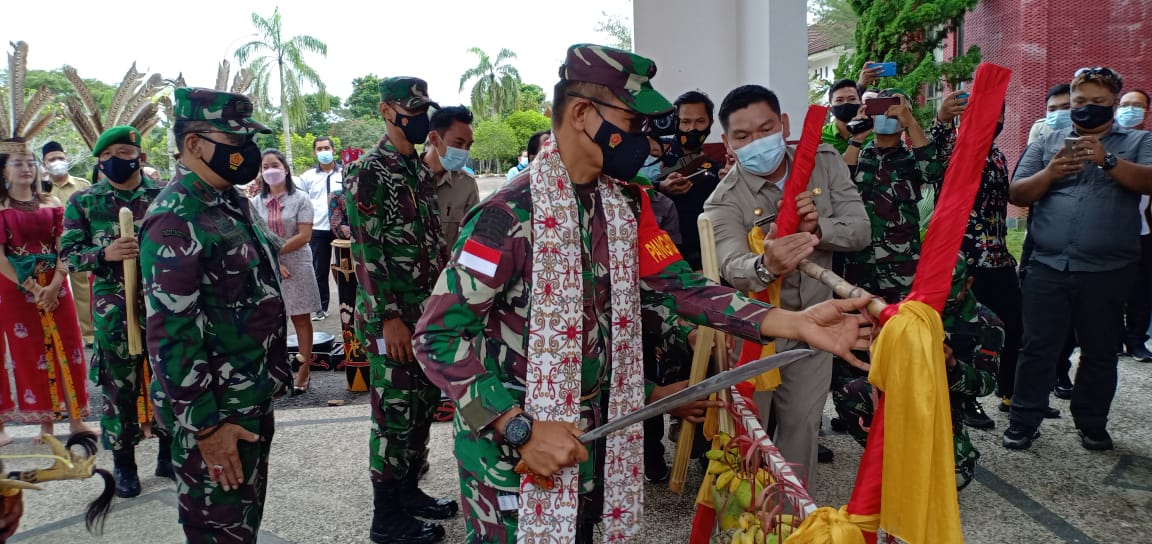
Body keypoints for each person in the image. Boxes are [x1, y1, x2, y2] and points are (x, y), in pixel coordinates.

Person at [413, 43, 874, 544]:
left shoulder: (624, 206)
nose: (647, 141)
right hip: (515, 457)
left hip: (597, 442)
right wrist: (515, 426)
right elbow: (437, 336)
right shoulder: (508, 217)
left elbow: (677, 289)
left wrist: (796, 322)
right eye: (634, 123)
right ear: (584, 114)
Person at [140, 87, 291, 543]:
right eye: (234, 138)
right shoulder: (175, 217)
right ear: (193, 144)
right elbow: (172, 334)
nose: (245, 149)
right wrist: (206, 428)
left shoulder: (228, 202)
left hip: (247, 398)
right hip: (215, 413)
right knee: (218, 531)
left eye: (248, 138)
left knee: (242, 525)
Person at [704, 84, 869, 484]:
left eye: (766, 129)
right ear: (727, 142)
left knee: (802, 429)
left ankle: (794, 522)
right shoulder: (722, 200)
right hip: (757, 333)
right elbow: (732, 264)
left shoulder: (824, 163)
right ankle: (748, 523)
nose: (757, 142)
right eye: (742, 136)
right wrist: (767, 264)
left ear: (784, 124)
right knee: (748, 435)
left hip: (819, 327)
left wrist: (818, 231)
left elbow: (861, 230)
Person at [1005, 67, 1152, 451]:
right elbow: (1018, 193)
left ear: (1114, 104)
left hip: (1108, 269)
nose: (1087, 109)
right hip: (1048, 265)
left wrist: (1109, 161)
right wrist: (1051, 172)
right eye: (1080, 102)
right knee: (1037, 347)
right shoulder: (1047, 140)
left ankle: (1092, 423)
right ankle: (1024, 420)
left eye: (1098, 103)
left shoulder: (1138, 141)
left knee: (1101, 350)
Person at [344, 76, 457, 544]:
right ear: (387, 111)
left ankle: (409, 492)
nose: (420, 117)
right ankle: (386, 517)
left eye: (423, 108)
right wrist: (389, 315)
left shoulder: (415, 168)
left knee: (420, 408)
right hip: (392, 318)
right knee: (393, 414)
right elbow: (366, 250)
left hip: (425, 313)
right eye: (411, 109)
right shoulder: (371, 169)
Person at [60, 126, 172, 499]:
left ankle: (169, 454)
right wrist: (103, 254)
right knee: (118, 387)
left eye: (123, 153)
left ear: (139, 156)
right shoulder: (85, 201)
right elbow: (68, 254)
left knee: (168, 378)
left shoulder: (163, 196)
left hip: (164, 304)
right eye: (106, 157)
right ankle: (124, 464)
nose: (114, 162)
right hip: (114, 307)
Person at [836, 255, 1001, 490]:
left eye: (948, 289)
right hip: (898, 390)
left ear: (968, 283)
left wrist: (952, 366)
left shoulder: (986, 324)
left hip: (944, 404)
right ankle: (890, 459)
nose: (941, 298)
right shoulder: (908, 306)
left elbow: (985, 385)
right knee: (849, 395)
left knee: (954, 477)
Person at [931, 93, 1018, 430]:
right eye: (985, 114)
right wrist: (941, 120)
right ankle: (965, 400)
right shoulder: (955, 149)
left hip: (998, 258)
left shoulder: (998, 157)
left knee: (1012, 329)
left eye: (999, 114)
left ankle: (1009, 392)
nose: (993, 121)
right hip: (965, 261)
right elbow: (931, 159)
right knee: (964, 334)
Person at [0, 138, 94, 441]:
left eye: (30, 162)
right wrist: (29, 286)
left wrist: (54, 285)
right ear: (4, 171)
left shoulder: (52, 203)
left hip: (56, 285)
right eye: (18, 163)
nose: (27, 168)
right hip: (15, 288)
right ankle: (45, 424)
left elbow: (63, 246)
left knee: (69, 347)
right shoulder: (0, 209)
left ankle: (76, 420)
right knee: (30, 354)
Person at [249, 149, 321, 394]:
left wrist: (276, 254)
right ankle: (277, 372)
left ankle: (304, 369)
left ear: (285, 169)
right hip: (268, 267)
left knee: (300, 317)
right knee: (272, 320)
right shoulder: (255, 202)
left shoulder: (300, 198)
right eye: (265, 166)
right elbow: (255, 236)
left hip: (297, 263)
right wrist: (271, 260)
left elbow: (304, 235)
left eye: (274, 165)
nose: (270, 170)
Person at [656, 90, 725, 270]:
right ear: (675, 122)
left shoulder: (718, 170)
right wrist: (660, 187)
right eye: (685, 122)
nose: (692, 129)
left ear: (711, 123)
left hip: (701, 264)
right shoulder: (651, 155)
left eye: (700, 121)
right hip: (657, 257)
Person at [42, 141, 95, 346]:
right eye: (51, 159)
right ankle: (62, 335)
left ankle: (89, 334)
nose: (57, 162)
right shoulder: (41, 189)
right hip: (51, 251)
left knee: (84, 289)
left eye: (60, 158)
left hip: (79, 246)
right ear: (44, 163)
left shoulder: (82, 185)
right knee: (56, 291)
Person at [1115, 89, 1152, 361]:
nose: (1130, 110)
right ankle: (1113, 337)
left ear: (1146, 112)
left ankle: (1136, 340)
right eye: (1125, 104)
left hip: (1143, 230)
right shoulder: (1107, 143)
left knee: (1142, 288)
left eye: (1137, 106)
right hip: (1112, 230)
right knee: (1111, 288)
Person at [424, 106, 479, 249]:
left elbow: (474, 235)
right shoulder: (405, 179)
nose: (464, 151)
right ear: (435, 139)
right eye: (458, 143)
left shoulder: (466, 184)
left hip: (449, 270)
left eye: (468, 145)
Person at [299, 136, 342, 321]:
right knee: (320, 270)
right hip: (318, 229)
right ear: (314, 152)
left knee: (346, 270)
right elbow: (302, 203)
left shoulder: (345, 173)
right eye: (319, 149)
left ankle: (350, 305)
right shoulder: (307, 177)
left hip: (343, 230)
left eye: (326, 148)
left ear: (333, 150)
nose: (323, 151)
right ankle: (320, 308)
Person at [822, 79, 874, 154]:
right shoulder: (820, 137)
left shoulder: (873, 135)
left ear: (860, 103)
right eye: (839, 100)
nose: (846, 103)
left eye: (852, 99)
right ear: (830, 107)